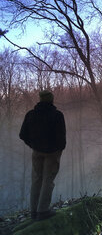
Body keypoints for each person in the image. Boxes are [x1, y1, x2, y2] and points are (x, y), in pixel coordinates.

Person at [19, 90, 66, 221]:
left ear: (40, 100)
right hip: (53, 153)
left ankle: (34, 212)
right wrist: (59, 149)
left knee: (36, 180)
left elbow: (22, 135)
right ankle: (43, 211)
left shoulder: (31, 114)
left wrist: (33, 145)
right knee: (48, 181)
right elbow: (62, 137)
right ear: (51, 100)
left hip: (37, 152)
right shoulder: (57, 115)